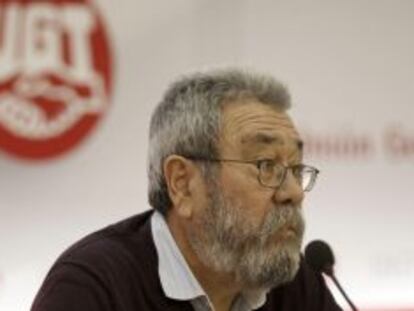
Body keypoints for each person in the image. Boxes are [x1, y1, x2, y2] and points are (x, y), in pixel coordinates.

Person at [31, 68, 342, 311]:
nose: (294, 193)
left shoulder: (291, 282)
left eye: (296, 168)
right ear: (182, 183)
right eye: (266, 166)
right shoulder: (93, 287)